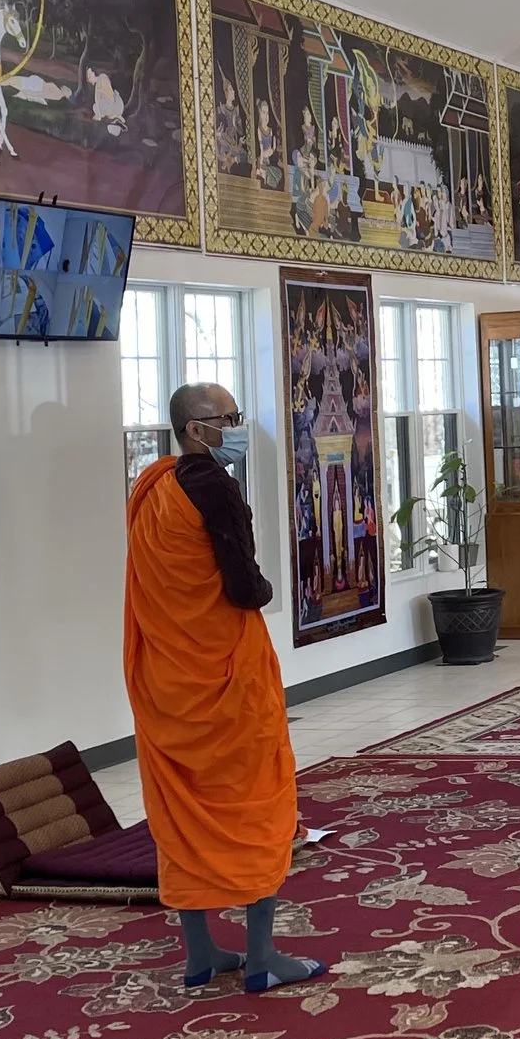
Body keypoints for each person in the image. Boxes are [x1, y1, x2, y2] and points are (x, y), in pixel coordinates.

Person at [125, 383, 323, 992]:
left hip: (168, 678)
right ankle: (262, 957)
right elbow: (243, 586)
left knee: (183, 811)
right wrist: (269, 592)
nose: (237, 426)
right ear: (194, 427)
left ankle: (202, 954)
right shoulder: (212, 487)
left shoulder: (150, 486)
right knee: (255, 802)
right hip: (224, 677)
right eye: (228, 418)